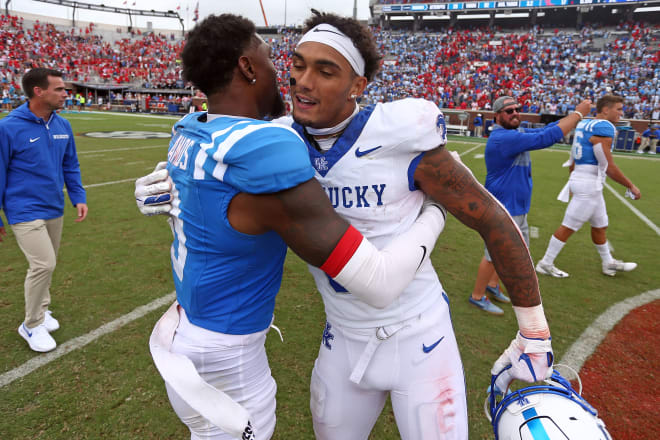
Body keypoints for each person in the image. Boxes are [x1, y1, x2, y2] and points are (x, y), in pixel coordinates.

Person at [141, 14, 556, 440]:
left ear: (357, 85)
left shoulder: (399, 133)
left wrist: (535, 331)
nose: (303, 81)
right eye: (299, 65)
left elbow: (493, 219)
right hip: (342, 338)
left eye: (326, 71)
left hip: (421, 336)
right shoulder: (277, 138)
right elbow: (214, 163)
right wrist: (170, 180)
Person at [469, 95, 592, 315]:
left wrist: (573, 116)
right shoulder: (503, 138)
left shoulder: (515, 134)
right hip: (503, 208)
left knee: (512, 251)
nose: (515, 113)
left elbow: (550, 128)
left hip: (516, 206)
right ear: (497, 116)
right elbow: (547, 137)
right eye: (509, 111)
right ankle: (477, 295)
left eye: (517, 109)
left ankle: (493, 285)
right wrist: (578, 114)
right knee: (494, 254)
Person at [0, 68, 88, 352]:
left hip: (54, 206)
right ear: (39, 91)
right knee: (43, 264)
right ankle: (31, 324)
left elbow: (70, 164)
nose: (66, 94)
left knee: (48, 262)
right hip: (23, 209)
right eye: (60, 89)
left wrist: (78, 196)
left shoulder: (62, 125)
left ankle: (43, 308)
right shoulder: (8, 127)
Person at [536, 95, 641, 278]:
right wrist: (630, 185)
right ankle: (546, 263)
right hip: (589, 183)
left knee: (600, 225)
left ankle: (608, 262)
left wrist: (573, 178)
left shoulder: (585, 124)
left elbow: (573, 158)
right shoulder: (604, 127)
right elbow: (607, 165)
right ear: (606, 110)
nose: (621, 113)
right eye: (618, 109)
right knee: (569, 226)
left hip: (583, 178)